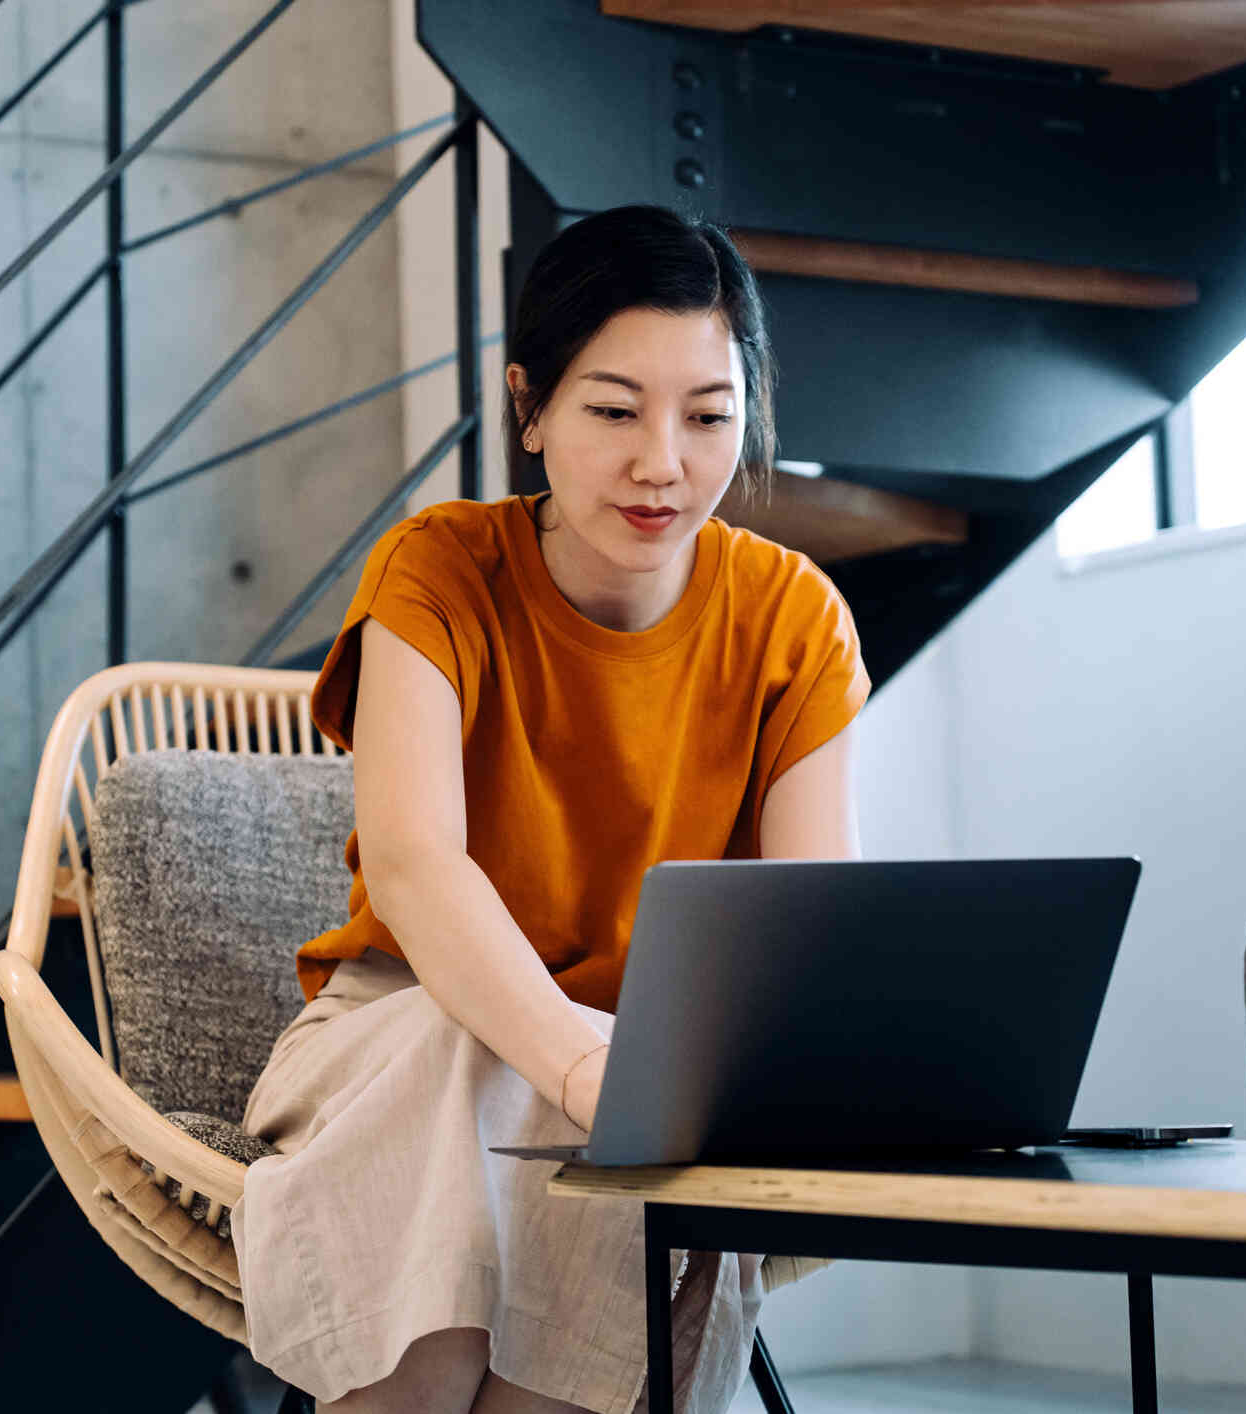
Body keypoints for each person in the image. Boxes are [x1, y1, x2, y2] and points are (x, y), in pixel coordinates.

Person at [229, 203, 870, 1414]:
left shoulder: (793, 619)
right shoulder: (439, 569)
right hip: (403, 1033)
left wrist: (634, 1074)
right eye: (615, 410)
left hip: (636, 1069)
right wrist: (583, 1064)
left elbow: (809, 934)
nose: (662, 463)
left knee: (597, 1139)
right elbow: (418, 870)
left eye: (710, 416)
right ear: (529, 406)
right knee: (483, 1066)